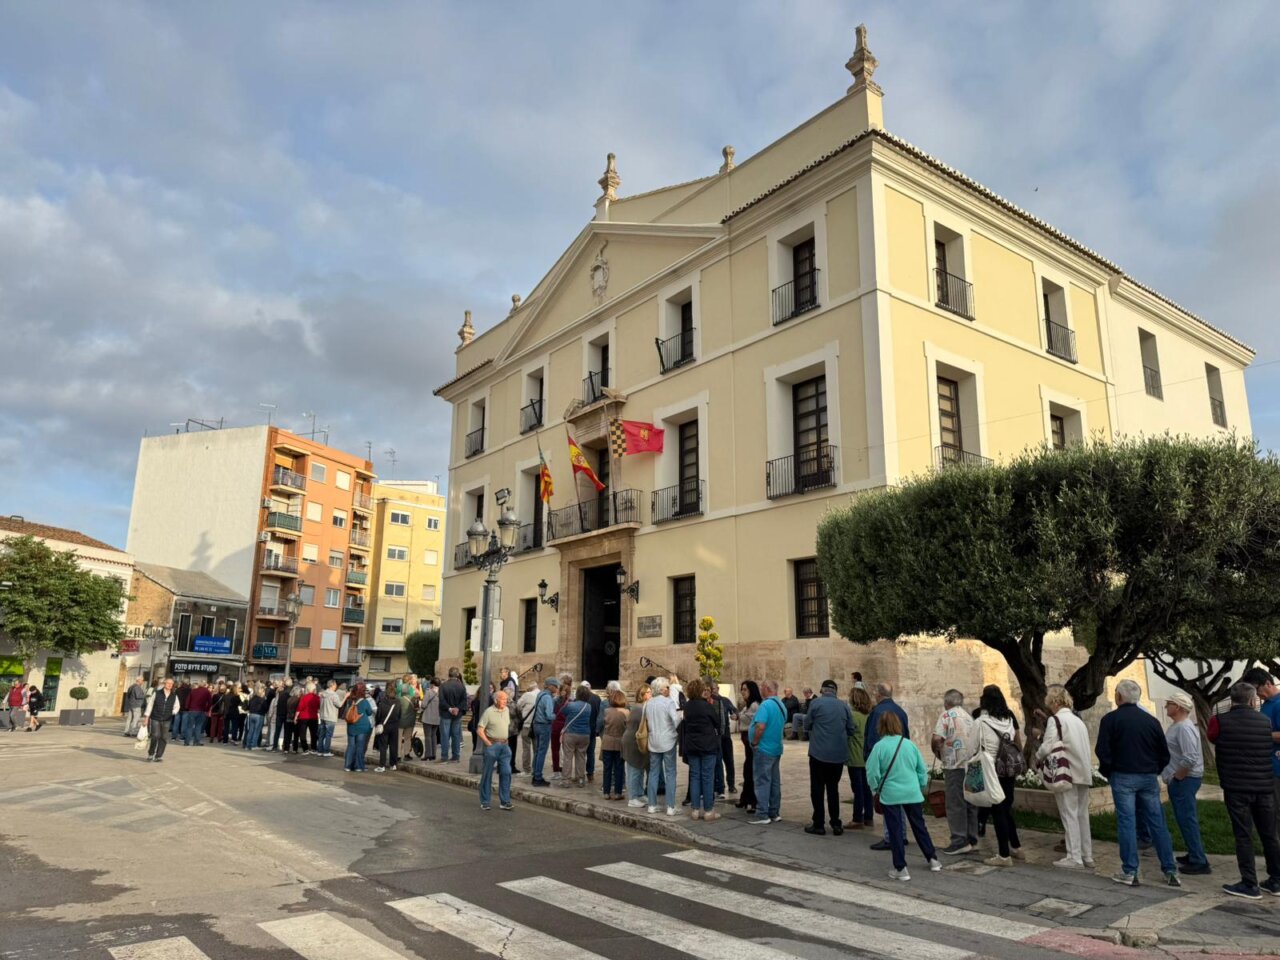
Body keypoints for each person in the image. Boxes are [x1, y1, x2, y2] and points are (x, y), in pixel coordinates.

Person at [1096, 678, 1180, 887]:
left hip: (1122, 775)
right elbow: (1164, 753)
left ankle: (1130, 870)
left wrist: (1109, 772)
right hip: (1148, 776)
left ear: (1119, 696)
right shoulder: (1151, 721)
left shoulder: (1111, 720)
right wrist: (1154, 769)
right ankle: (1170, 869)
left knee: (1127, 822)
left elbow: (1103, 750)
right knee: (1157, 822)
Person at [1213, 681, 1280, 899]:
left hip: (1236, 787)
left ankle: (1250, 883)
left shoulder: (1219, 721)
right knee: (1269, 834)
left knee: (1243, 835)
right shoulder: (1265, 722)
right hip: (1264, 785)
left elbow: (1212, 737)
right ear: (1252, 700)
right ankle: (1276, 879)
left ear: (1232, 699)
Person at [866, 711, 941, 881]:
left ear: (881, 726)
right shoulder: (909, 745)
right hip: (912, 791)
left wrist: (876, 788)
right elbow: (921, 769)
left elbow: (872, 772)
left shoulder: (879, 747)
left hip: (890, 793)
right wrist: (920, 785)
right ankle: (933, 859)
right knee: (919, 826)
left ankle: (900, 867)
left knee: (895, 830)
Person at [1031, 684, 1095, 869]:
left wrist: (1037, 756)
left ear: (1053, 701)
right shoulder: (1077, 721)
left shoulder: (1056, 720)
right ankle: (1087, 855)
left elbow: (1047, 746)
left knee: (1069, 814)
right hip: (1082, 772)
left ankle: (1074, 856)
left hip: (1066, 773)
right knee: (1082, 815)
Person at [1155, 689, 1210, 876]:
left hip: (1185, 779)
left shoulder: (1184, 728)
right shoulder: (1179, 726)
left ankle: (1199, 860)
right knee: (1184, 818)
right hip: (1182, 779)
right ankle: (1194, 853)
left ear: (1177, 707)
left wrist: (1177, 777)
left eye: (1169, 703)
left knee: (1187, 819)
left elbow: (1190, 757)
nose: (1166, 706)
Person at [973, 685, 1025, 867]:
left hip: (991, 770)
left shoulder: (980, 721)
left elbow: (972, 747)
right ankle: (1016, 847)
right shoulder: (1009, 717)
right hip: (1008, 768)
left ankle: (1004, 855)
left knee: (998, 811)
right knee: (1006, 808)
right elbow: (1017, 740)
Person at [804, 679, 855, 835]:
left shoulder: (816, 704)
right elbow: (851, 729)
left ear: (822, 690)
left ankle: (818, 824)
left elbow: (806, 725)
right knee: (833, 789)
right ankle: (836, 824)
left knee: (817, 789)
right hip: (837, 756)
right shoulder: (844, 706)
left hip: (818, 754)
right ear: (835, 691)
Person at [932, 689, 977, 854]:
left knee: (955, 804)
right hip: (973, 765)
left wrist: (936, 751)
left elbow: (937, 738)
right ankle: (972, 838)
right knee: (971, 802)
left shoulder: (946, 716)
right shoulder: (969, 717)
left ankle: (959, 840)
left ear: (946, 703)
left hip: (955, 765)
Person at [866, 683, 909, 851]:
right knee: (900, 802)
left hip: (885, 762)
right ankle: (901, 835)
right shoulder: (901, 711)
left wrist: (869, 761)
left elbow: (872, 739)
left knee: (887, 800)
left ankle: (890, 837)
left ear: (878, 694)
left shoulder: (877, 712)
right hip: (900, 761)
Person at [1241, 667, 1280, 824]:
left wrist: (1260, 735)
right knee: (1271, 812)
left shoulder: (1278, 704)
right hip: (1268, 768)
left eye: (1257, 689)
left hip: (1277, 769)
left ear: (1268, 683)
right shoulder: (1266, 705)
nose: (1256, 694)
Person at [682, 678, 722, 821]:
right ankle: (708, 810)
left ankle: (695, 809)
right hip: (707, 745)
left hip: (692, 745)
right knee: (707, 777)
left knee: (694, 776)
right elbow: (717, 722)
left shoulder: (687, 706)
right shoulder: (706, 706)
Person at [749, 680, 786, 825]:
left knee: (762, 781)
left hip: (764, 748)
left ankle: (762, 814)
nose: (760, 690)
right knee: (774, 782)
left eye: (761, 687)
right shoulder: (780, 704)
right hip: (776, 748)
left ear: (767, 688)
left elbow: (760, 726)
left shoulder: (765, 705)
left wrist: (754, 742)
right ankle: (774, 812)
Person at [645, 677, 681, 816]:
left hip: (653, 741)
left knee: (653, 773)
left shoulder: (649, 703)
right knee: (670, 773)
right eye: (667, 687)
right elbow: (675, 720)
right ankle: (670, 806)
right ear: (661, 689)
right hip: (668, 740)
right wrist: (680, 718)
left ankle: (652, 805)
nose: (668, 689)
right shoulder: (668, 702)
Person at [478, 689, 514, 811]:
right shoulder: (488, 712)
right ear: (496, 700)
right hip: (492, 745)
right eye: (503, 699)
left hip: (505, 746)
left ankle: (505, 801)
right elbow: (480, 730)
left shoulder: (507, 710)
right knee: (487, 773)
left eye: (506, 699)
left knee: (506, 772)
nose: (505, 701)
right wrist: (488, 744)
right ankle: (485, 801)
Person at [846, 685, 873, 829]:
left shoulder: (853, 716)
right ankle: (869, 817)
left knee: (857, 789)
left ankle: (857, 818)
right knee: (867, 789)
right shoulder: (869, 716)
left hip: (855, 757)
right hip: (867, 757)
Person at [559, 684, 593, 788]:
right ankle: (580, 779)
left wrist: (568, 701)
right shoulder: (588, 706)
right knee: (581, 757)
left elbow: (562, 711)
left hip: (571, 733)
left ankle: (566, 780)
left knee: (568, 757)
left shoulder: (571, 705)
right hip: (585, 734)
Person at [623, 683, 651, 806]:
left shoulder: (641, 707)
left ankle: (639, 794)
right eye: (648, 692)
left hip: (637, 740)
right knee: (634, 769)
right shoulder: (640, 709)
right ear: (642, 694)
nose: (651, 694)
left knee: (640, 768)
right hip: (633, 742)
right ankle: (633, 798)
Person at [736, 681, 762, 815]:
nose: (743, 692)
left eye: (745, 689)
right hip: (747, 742)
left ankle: (752, 800)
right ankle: (745, 798)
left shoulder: (754, 705)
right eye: (742, 689)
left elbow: (752, 720)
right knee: (747, 770)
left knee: (750, 771)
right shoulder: (748, 705)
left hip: (752, 742)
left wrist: (738, 716)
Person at [600, 688, 629, 801]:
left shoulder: (606, 711)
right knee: (619, 768)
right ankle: (618, 792)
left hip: (607, 741)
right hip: (620, 742)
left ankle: (606, 792)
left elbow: (603, 724)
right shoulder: (626, 712)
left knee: (607, 768)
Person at [529, 677, 559, 786]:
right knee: (542, 752)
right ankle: (538, 777)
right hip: (544, 726)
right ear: (550, 686)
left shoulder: (540, 694)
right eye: (555, 686)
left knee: (537, 751)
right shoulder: (547, 697)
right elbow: (549, 715)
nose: (557, 688)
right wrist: (557, 716)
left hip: (536, 725)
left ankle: (535, 774)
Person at [144, 678, 180, 762]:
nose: (170, 685)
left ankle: (159, 756)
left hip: (167, 719)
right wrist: (146, 717)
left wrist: (173, 712)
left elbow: (177, 706)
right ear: (164, 684)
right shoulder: (157, 693)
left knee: (163, 737)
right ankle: (151, 753)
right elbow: (150, 705)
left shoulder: (174, 695)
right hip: (155, 717)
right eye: (168, 683)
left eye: (171, 684)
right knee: (155, 735)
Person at [342, 682, 375, 772]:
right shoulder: (365, 701)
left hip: (351, 726)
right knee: (360, 747)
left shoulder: (350, 700)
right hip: (362, 727)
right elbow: (369, 712)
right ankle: (358, 766)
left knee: (351, 746)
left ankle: (348, 766)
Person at [438, 667, 467, 763]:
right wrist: (457, 708)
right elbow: (464, 700)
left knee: (445, 735)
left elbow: (442, 700)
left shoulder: (443, 686)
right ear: (458, 675)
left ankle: (444, 757)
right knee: (456, 735)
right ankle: (456, 756)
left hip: (446, 713)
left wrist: (450, 709)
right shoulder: (461, 686)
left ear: (448, 674)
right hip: (457, 714)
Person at [374, 684, 402, 772]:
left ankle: (382, 765)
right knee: (394, 746)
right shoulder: (398, 702)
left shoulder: (383, 702)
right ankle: (393, 764)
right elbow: (400, 714)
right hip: (394, 726)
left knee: (383, 747)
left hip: (384, 726)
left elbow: (378, 715)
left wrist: (378, 723)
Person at [515, 681, 537, 774]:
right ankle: (536, 769)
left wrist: (524, 710)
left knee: (526, 749)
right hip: (537, 726)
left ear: (529, 688)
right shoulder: (542, 694)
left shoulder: (527, 695)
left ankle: (527, 770)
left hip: (527, 725)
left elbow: (518, 705)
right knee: (537, 749)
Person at [583, 683, 603, 783]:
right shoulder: (596, 698)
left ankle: (580, 773)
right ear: (590, 688)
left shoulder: (579, 699)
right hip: (592, 728)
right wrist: (597, 728)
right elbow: (599, 714)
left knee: (581, 752)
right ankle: (590, 773)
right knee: (590, 752)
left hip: (582, 728)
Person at [317, 680, 341, 757]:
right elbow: (339, 705)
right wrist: (345, 697)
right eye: (335, 685)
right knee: (328, 735)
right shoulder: (334, 695)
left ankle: (320, 750)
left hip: (323, 716)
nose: (336, 686)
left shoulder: (322, 694)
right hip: (330, 717)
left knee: (322, 734)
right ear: (332, 685)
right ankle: (326, 751)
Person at [297, 682, 320, 755]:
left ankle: (305, 749)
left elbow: (300, 708)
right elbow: (319, 707)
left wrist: (296, 717)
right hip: (313, 717)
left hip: (303, 717)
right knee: (313, 733)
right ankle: (314, 748)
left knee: (302, 733)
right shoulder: (317, 697)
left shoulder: (304, 697)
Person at [396, 681, 417, 762]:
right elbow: (416, 708)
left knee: (398, 738)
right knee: (408, 738)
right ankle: (407, 754)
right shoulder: (413, 698)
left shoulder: (399, 699)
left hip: (400, 722)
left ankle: (398, 755)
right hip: (410, 722)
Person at [244, 684, 268, 750]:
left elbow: (248, 707)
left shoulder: (252, 699)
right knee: (256, 731)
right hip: (259, 715)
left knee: (250, 731)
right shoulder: (262, 700)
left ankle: (247, 745)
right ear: (262, 692)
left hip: (251, 714)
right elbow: (266, 708)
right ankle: (253, 745)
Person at [271, 679, 293, 751]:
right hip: (286, 714)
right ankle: (286, 747)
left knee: (277, 731)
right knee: (286, 731)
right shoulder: (290, 693)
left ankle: (274, 746)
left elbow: (276, 703)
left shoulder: (280, 692)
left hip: (279, 713)